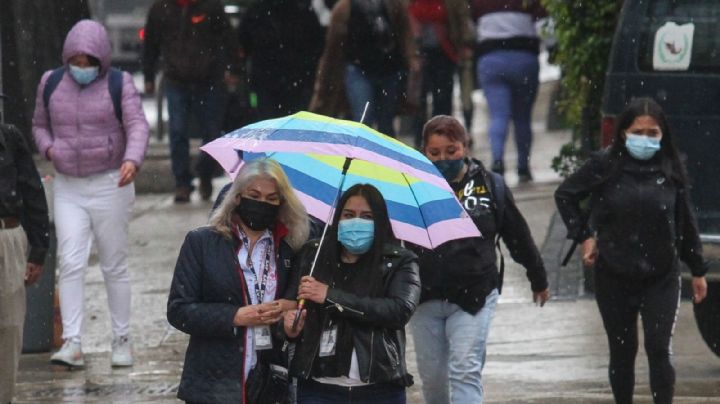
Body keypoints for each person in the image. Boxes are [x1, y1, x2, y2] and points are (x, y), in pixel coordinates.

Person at [554, 97, 708, 404]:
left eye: (653, 133)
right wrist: (584, 236)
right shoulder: (605, 164)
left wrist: (698, 269)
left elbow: (685, 220)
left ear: (663, 134)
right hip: (613, 273)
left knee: (658, 347)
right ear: (624, 132)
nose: (646, 139)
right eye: (639, 131)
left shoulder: (671, 167)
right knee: (622, 351)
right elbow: (566, 195)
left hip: (661, 275)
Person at [32, 20, 150, 368]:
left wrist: (132, 159)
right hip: (69, 184)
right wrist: (50, 148)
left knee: (114, 263)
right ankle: (72, 341)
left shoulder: (119, 83)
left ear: (102, 60)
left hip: (111, 182)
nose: (82, 68)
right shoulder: (51, 83)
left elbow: (138, 125)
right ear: (67, 57)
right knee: (70, 262)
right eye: (76, 61)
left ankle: (122, 339)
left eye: (89, 62)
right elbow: (39, 124)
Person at [410, 115, 549, 403]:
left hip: (475, 294)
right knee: (433, 379)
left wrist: (538, 277)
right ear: (423, 151)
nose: (443, 159)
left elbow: (517, 236)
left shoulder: (490, 186)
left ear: (466, 147)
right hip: (424, 297)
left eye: (451, 151)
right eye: (434, 153)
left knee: (465, 370)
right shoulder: (411, 189)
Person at [168, 159, 310, 403]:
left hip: (269, 383)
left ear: (281, 203)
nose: (262, 203)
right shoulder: (201, 242)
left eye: (271, 198)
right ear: (237, 197)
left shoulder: (290, 249)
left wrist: (290, 320)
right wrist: (235, 316)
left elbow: (298, 305)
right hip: (214, 383)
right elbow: (179, 310)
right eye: (254, 194)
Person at [283, 184, 420, 403]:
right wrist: (291, 328)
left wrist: (331, 296)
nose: (356, 222)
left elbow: (399, 311)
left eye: (367, 216)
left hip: (379, 388)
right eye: (348, 215)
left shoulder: (400, 261)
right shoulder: (313, 254)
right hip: (318, 389)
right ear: (338, 218)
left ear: (380, 221)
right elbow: (291, 306)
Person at [143, 0, 240, 202]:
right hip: (176, 79)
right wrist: (149, 76)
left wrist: (233, 68)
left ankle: (205, 172)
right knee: (177, 131)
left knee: (211, 132)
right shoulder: (161, 9)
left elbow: (228, 38)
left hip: (209, 79)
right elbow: (150, 43)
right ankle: (182, 183)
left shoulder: (210, 7)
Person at [309, 0, 418, 136]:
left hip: (389, 69)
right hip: (359, 69)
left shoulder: (392, 5)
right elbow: (333, 48)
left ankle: (380, 155)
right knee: (363, 119)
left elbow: (404, 33)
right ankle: (361, 154)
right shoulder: (344, 9)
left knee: (385, 122)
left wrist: (412, 59)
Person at [0, 119, 49, 404]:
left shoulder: (9, 137)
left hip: (8, 235)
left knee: (9, 328)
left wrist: (39, 250)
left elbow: (32, 191)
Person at [472, 0, 546, 181]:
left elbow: (469, 27)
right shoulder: (529, 2)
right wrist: (552, 46)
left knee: (498, 116)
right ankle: (523, 166)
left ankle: (497, 161)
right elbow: (545, 25)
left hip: (491, 60)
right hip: (525, 59)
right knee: (522, 117)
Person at [239, 0, 325, 121]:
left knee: (268, 122)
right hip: (291, 79)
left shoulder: (257, 11)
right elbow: (317, 44)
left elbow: (244, 42)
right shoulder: (302, 11)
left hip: (273, 78)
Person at [409, 0, 475, 148]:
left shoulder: (451, 4)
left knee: (443, 98)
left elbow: (462, 18)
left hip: (445, 54)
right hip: (420, 55)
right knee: (419, 100)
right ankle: (420, 140)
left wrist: (464, 43)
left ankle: (441, 138)